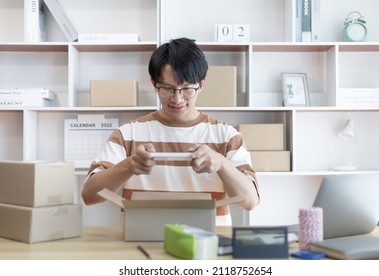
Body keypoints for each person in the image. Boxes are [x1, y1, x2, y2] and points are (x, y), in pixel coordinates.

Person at [81, 37, 260, 225]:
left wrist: (222, 164)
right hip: (141, 245)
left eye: (187, 89)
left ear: (201, 84)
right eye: (167, 88)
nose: (177, 98)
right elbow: (89, 195)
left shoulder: (226, 136)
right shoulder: (128, 134)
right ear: (153, 83)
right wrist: (129, 166)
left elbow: (250, 201)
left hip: (204, 247)